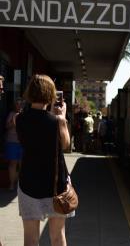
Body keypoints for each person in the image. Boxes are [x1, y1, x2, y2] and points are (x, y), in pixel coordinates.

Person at [16, 74, 73, 246]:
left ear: (29, 93)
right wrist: (62, 118)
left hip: (28, 183)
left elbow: (27, 141)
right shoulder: (56, 121)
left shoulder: (19, 119)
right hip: (56, 186)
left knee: (31, 238)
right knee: (57, 235)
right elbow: (65, 145)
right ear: (51, 94)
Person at [4, 98, 23, 190]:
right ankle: (12, 184)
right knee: (13, 163)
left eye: (20, 104)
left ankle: (19, 183)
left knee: (22, 164)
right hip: (12, 142)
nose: (19, 106)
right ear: (14, 106)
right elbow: (7, 126)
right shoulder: (11, 114)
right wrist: (13, 120)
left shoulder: (25, 115)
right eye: (17, 104)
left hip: (23, 143)